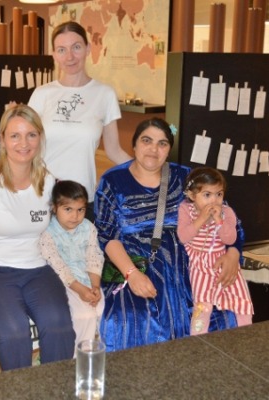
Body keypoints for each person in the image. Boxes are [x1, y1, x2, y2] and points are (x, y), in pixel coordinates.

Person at [95, 118, 241, 352]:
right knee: (132, 319)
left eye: (162, 143)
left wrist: (233, 254)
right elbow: (107, 235)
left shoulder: (186, 178)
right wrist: (132, 274)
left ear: (169, 149)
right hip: (134, 263)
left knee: (220, 313)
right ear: (134, 144)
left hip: (189, 265)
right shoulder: (113, 180)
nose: (154, 149)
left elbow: (227, 215)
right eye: (147, 141)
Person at [0, 104, 75, 371]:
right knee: (14, 331)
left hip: (36, 269)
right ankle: (18, 390)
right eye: (15, 136)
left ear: (40, 139)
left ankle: (56, 387)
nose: (24, 143)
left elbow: (60, 229)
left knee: (58, 325)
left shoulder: (48, 181)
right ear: (2, 140)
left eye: (31, 135)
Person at [28, 21, 132, 219]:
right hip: (42, 197)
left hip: (81, 201)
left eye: (76, 47)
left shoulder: (104, 94)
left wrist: (149, 170)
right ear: (54, 54)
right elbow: (27, 148)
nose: (70, 57)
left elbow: (114, 151)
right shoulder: (42, 94)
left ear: (88, 48)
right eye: (62, 50)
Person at [177, 167, 253, 335]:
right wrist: (201, 219)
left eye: (219, 194)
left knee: (240, 298)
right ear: (192, 196)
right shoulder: (186, 209)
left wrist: (219, 220)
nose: (214, 200)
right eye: (207, 195)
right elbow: (183, 237)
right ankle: (197, 337)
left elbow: (230, 239)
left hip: (222, 261)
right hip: (199, 264)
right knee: (202, 305)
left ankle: (247, 334)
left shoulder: (227, 212)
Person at [39, 180, 104, 351]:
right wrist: (80, 289)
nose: (75, 216)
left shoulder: (88, 228)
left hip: (88, 280)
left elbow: (94, 256)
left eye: (80, 210)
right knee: (84, 315)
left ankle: (100, 354)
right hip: (64, 283)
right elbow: (57, 267)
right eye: (68, 209)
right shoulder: (47, 232)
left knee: (103, 311)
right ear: (54, 207)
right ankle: (77, 356)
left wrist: (95, 287)